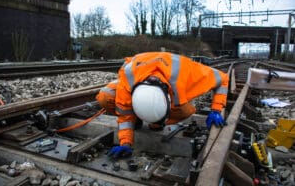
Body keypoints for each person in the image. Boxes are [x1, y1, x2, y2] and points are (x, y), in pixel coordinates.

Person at [96, 52, 229, 159]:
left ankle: (157, 123)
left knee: (185, 111)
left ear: (169, 99)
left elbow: (223, 78)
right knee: (106, 95)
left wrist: (216, 109)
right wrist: (125, 142)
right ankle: (138, 120)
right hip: (140, 72)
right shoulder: (128, 81)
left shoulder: (190, 72)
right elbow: (124, 115)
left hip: (175, 78)